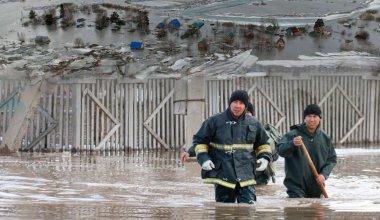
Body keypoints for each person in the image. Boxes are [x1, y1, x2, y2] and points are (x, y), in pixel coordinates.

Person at [192, 90, 272, 204]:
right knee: (224, 211)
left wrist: (265, 158)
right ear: (230, 103)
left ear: (245, 105)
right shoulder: (214, 121)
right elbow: (199, 141)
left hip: (247, 175)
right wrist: (204, 159)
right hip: (223, 174)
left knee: (248, 210)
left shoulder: (254, 123)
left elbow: (263, 144)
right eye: (235, 102)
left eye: (241, 103)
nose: (237, 105)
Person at [277, 104, 337, 198]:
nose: (312, 119)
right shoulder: (293, 135)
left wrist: (323, 175)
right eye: (309, 116)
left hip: (317, 186)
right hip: (296, 187)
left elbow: (332, 159)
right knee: (299, 208)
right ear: (304, 118)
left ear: (319, 118)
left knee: (315, 209)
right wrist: (292, 144)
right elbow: (280, 150)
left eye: (315, 116)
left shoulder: (325, 138)